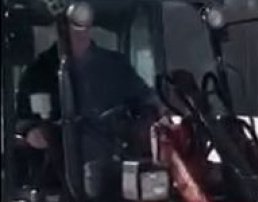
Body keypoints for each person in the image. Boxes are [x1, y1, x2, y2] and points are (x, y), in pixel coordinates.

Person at [15, 14, 161, 166]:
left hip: (116, 161)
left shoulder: (116, 65)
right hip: (58, 169)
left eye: (80, 24)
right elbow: (21, 122)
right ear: (58, 29)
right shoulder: (37, 73)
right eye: (68, 25)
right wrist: (32, 131)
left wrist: (152, 114)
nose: (75, 31)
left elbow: (146, 99)